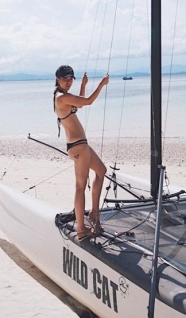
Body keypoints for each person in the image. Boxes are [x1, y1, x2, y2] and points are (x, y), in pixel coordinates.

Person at [53, 64, 109, 241]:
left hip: (80, 146)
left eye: (71, 79)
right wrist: (101, 85)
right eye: (65, 79)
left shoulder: (65, 97)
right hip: (78, 147)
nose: (68, 82)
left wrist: (84, 85)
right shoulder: (61, 98)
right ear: (57, 79)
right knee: (80, 187)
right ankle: (81, 229)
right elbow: (88, 102)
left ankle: (93, 213)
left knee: (101, 171)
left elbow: (80, 103)